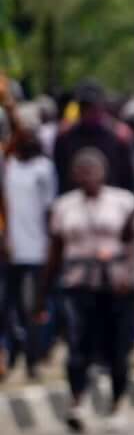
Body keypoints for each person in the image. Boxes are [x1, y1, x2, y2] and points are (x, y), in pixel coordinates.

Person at [46, 147, 134, 432]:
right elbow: (55, 249)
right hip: (79, 284)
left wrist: (133, 276)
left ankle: (117, 404)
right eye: (82, 169)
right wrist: (43, 291)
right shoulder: (64, 206)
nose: (88, 175)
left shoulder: (123, 202)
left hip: (118, 285)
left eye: (93, 168)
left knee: (118, 347)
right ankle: (78, 402)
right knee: (78, 346)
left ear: (104, 171)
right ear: (74, 174)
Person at [1, 98, 59, 381]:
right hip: (12, 247)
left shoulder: (44, 169)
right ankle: (11, 357)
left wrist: (50, 245)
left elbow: (49, 210)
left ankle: (33, 360)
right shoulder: (8, 164)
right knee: (7, 306)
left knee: (33, 309)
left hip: (37, 247)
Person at [52, 80, 134, 193]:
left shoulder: (118, 137)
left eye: (92, 106)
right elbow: (60, 174)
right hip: (75, 201)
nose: (88, 111)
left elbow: (128, 178)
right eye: (84, 107)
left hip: (112, 201)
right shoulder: (65, 138)